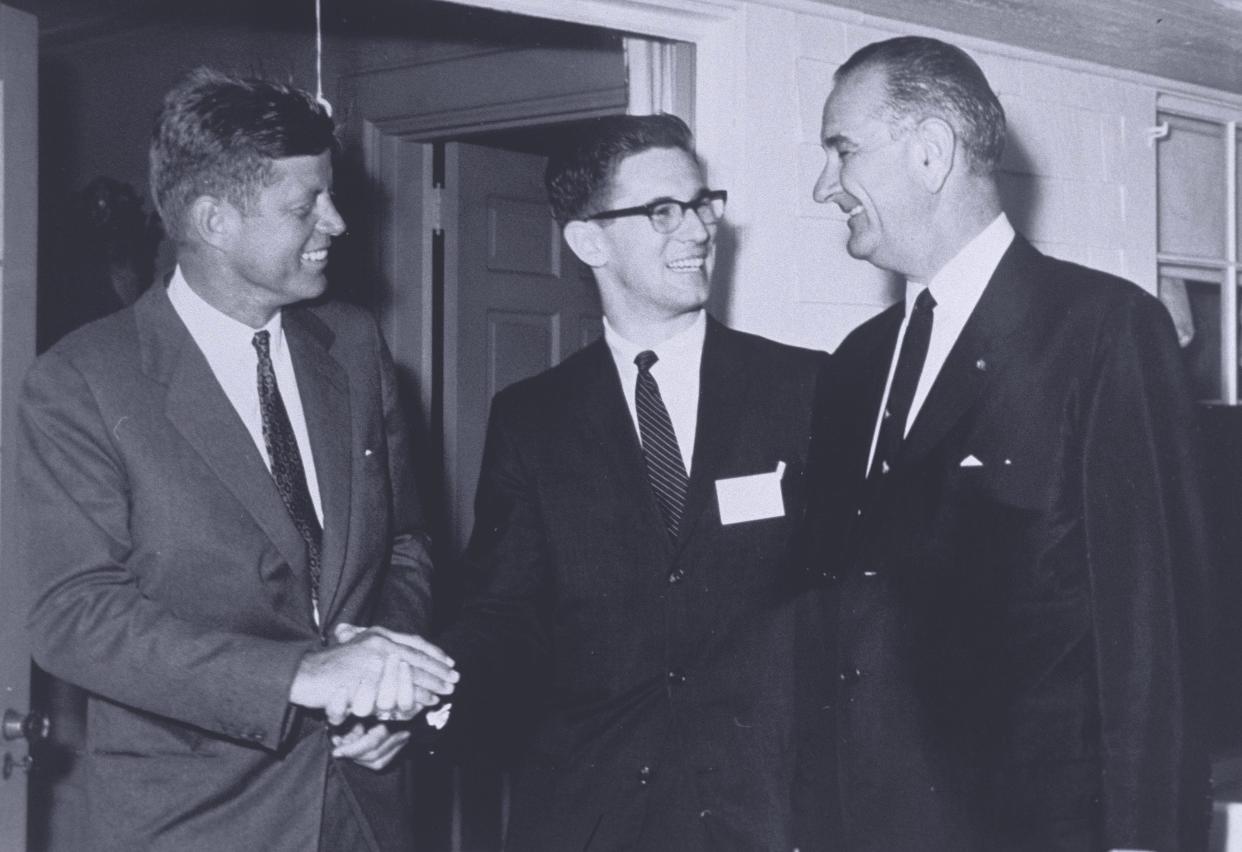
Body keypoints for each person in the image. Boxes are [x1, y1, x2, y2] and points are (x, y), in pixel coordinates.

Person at [20, 67, 458, 852]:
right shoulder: (83, 379)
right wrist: (301, 679)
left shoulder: (352, 343)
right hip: (195, 823)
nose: (337, 222)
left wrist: (380, 685)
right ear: (214, 220)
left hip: (365, 807)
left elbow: (406, 544)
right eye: (305, 205)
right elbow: (72, 615)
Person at [808, 35, 1211, 852]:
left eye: (842, 151)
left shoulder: (1103, 331)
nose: (824, 186)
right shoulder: (855, 365)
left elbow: (1150, 627)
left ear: (929, 152)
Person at [435, 113, 831, 851]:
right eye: (661, 213)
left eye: (701, 204)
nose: (697, 232)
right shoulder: (531, 418)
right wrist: (425, 692)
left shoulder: (802, 388)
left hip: (768, 815)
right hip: (593, 817)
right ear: (589, 240)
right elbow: (503, 613)